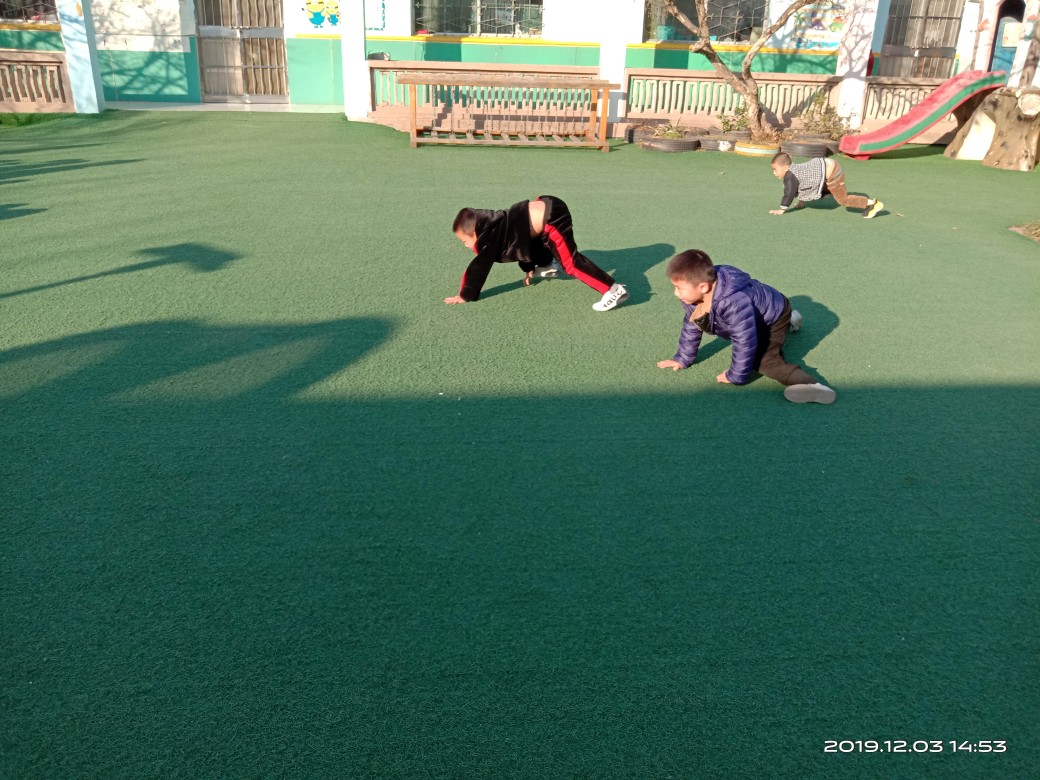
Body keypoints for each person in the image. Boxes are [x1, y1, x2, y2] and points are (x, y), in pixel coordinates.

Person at [656, 249, 836, 404]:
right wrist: (683, 358)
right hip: (759, 312)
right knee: (750, 327)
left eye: (679, 288)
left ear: (703, 287)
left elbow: (744, 339)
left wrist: (736, 375)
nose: (676, 293)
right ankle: (791, 321)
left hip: (774, 317)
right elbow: (693, 325)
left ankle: (813, 386)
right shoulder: (692, 298)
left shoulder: (732, 302)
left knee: (763, 362)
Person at [445, 195, 628, 311]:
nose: (465, 245)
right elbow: (520, 243)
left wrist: (465, 295)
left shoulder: (489, 240)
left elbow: (478, 268)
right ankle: (548, 265)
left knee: (571, 264)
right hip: (546, 203)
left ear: (475, 233)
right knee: (541, 240)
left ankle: (613, 290)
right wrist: (529, 266)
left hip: (553, 218)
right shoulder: (496, 224)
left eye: (464, 241)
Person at [769, 152, 884, 219]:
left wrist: (782, 209)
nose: (774, 173)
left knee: (843, 200)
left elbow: (789, 193)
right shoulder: (795, 170)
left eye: (775, 169)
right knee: (826, 189)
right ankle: (827, 192)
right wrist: (801, 202)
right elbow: (801, 186)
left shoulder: (790, 176)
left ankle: (873, 203)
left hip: (833, 171)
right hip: (826, 166)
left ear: (786, 167)